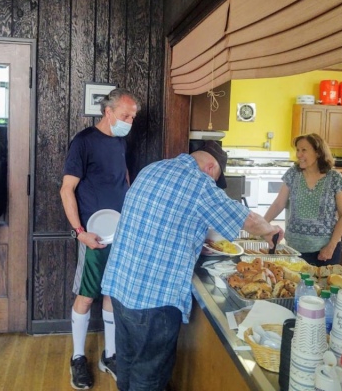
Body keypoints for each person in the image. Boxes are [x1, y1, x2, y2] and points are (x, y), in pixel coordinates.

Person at [101, 141, 281, 391]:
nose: (213, 184)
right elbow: (247, 219)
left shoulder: (152, 169)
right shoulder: (200, 184)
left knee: (127, 364)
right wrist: (270, 230)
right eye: (215, 180)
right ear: (210, 168)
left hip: (120, 288)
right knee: (148, 377)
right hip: (154, 300)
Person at [60, 88, 140, 390]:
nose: (130, 122)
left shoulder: (120, 141)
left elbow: (125, 178)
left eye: (132, 117)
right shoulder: (83, 142)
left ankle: (110, 356)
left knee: (112, 294)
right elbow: (67, 190)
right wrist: (80, 232)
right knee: (87, 295)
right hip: (94, 233)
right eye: (125, 116)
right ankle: (78, 357)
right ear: (108, 112)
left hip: (121, 231)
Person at [264, 133, 342, 266]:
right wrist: (262, 225)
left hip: (325, 250)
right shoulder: (293, 173)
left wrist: (331, 246)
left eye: (304, 150)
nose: (299, 155)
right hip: (294, 249)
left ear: (318, 152)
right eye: (297, 150)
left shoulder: (335, 178)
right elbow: (278, 204)